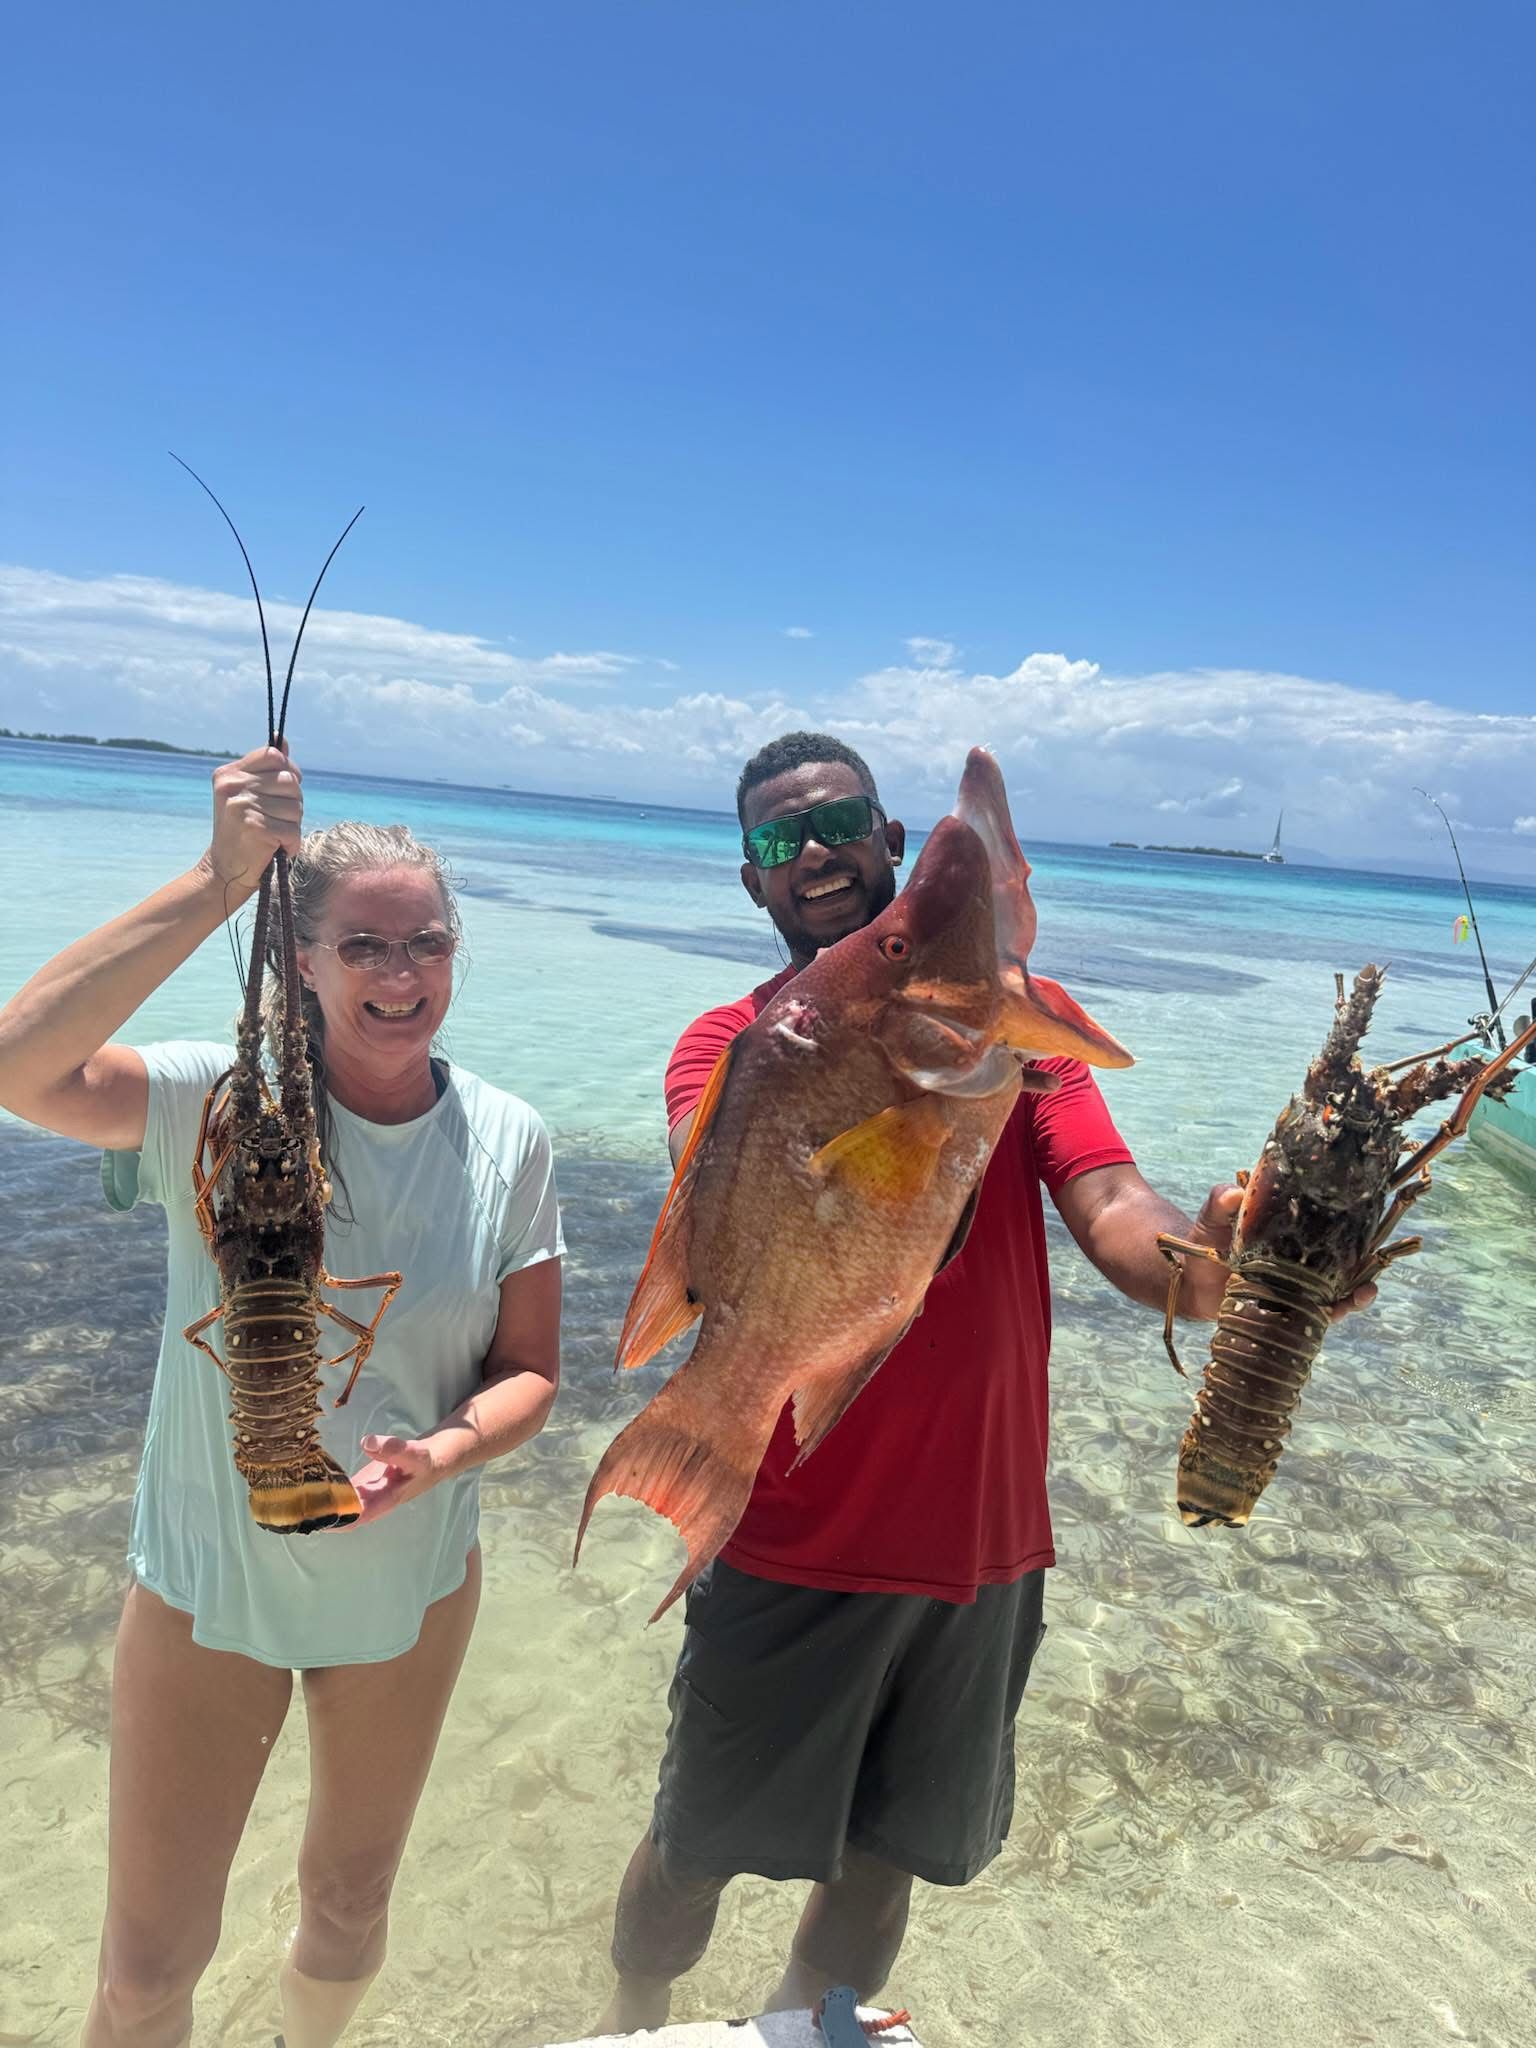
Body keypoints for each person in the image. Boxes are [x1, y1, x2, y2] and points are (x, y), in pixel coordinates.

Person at [595, 731, 1374, 2032]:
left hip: (981, 1541)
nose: (815, 855)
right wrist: (865, 1103)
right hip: (794, 1533)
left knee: (887, 1856)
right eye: (780, 839)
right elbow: (721, 1201)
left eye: (839, 824)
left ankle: (808, 2029)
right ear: (751, 879)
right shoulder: (730, 1043)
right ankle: (628, 2018)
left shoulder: (1023, 1032)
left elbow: (1115, 1208)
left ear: (890, 843)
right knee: (698, 1843)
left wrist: (1226, 1269)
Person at [0, 746, 563, 2048]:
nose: (402, 973)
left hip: (405, 1580)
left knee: (352, 1902)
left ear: (457, 954)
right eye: (363, 944)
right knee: (147, 1965)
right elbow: (22, 1069)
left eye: (427, 942)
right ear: (301, 959)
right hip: (208, 1584)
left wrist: (440, 1454)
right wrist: (217, 878)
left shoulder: (512, 1137)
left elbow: (532, 1370)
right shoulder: (210, 1101)